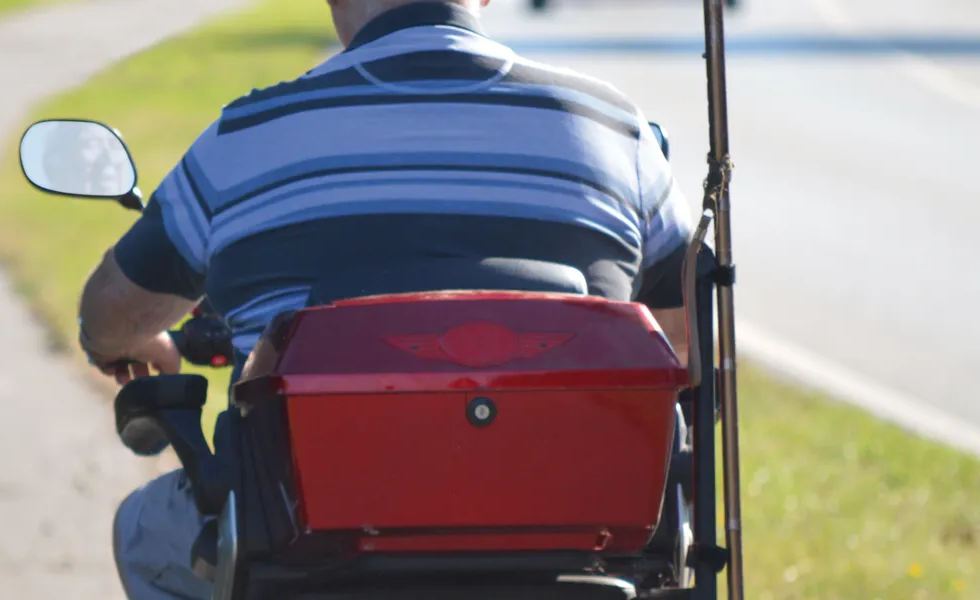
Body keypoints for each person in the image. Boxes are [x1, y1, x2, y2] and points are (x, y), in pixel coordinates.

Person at [76, 1, 695, 598]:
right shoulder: (615, 130)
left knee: (144, 531)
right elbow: (686, 344)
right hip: (583, 542)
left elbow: (110, 312)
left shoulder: (243, 139)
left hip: (300, 551)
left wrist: (134, 343)